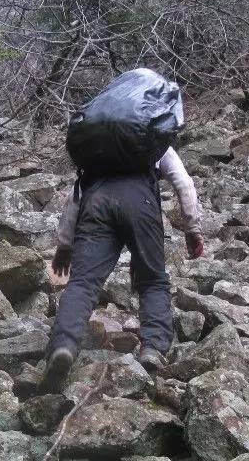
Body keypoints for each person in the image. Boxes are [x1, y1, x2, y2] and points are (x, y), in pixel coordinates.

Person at [40, 146, 204, 392]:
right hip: (141, 202)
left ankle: (63, 346)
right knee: (152, 281)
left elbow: (77, 193)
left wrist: (64, 244)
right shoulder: (152, 134)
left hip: (95, 203)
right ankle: (153, 349)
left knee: (83, 283)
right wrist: (192, 228)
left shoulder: (98, 141)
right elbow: (183, 181)